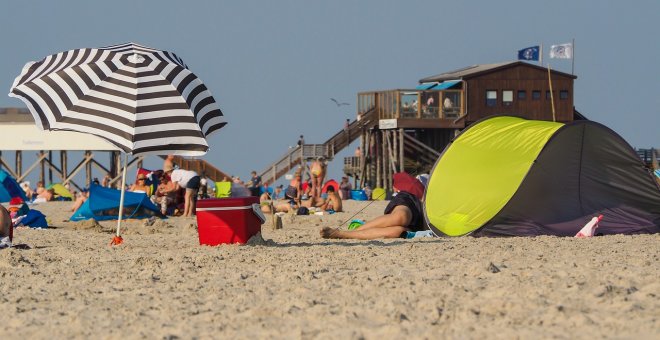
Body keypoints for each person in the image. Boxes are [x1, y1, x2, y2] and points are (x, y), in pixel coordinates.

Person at [320, 172, 425, 240]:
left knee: (398, 232)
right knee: (401, 217)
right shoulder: (417, 187)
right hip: (409, 200)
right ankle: (351, 232)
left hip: (418, 220)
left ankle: (344, 234)